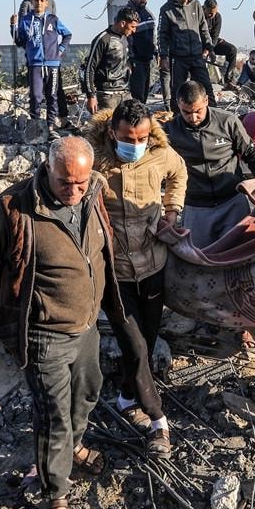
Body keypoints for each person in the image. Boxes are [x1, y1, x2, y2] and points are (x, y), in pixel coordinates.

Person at [0, 136, 149, 509]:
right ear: (47, 170)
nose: (73, 190)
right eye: (64, 182)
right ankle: (55, 495)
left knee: (87, 393)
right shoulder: (14, 208)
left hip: (86, 326)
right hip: (45, 334)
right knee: (53, 413)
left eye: (80, 182)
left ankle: (74, 447)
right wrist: (30, 304)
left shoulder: (93, 193)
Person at [86, 100, 187, 455]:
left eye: (142, 137)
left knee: (147, 337)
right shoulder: (94, 158)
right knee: (136, 345)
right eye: (128, 138)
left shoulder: (159, 154)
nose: (136, 144)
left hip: (152, 265)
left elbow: (179, 172)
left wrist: (172, 211)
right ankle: (158, 419)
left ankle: (126, 396)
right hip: (115, 273)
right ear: (112, 132)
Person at [165, 81, 255, 350]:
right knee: (200, 265)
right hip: (196, 206)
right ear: (178, 107)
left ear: (206, 102)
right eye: (186, 112)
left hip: (231, 202)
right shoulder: (170, 132)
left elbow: (250, 153)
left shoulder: (228, 122)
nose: (193, 117)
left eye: (198, 111)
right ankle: (205, 318)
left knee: (238, 265)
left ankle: (242, 326)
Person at [12, 0, 72, 130]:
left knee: (52, 95)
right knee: (35, 96)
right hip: (35, 64)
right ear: (32, 2)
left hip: (53, 64)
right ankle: (36, 125)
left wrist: (60, 50)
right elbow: (19, 41)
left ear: (46, 3)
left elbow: (67, 34)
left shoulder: (53, 19)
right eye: (36, 0)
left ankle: (50, 125)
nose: (38, 3)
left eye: (41, 0)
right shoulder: (26, 20)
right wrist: (13, 26)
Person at [158, 0, 214, 106]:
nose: (183, 0)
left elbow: (203, 28)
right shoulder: (166, 10)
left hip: (196, 55)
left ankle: (213, 112)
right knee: (178, 91)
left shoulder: (196, 5)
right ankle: (177, 115)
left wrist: (209, 47)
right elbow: (162, 35)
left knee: (206, 87)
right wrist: (163, 56)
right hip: (178, 57)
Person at [81, 5, 137, 113]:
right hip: (107, 96)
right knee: (107, 124)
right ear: (123, 23)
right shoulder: (103, 39)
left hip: (125, 93)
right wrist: (91, 95)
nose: (134, 30)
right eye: (132, 27)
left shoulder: (125, 39)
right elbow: (89, 68)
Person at [127, 0, 157, 104]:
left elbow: (152, 37)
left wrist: (156, 52)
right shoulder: (128, 13)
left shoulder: (148, 13)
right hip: (136, 60)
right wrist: (130, 59)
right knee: (137, 95)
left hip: (147, 59)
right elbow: (126, 38)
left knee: (144, 93)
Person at [202, 0, 238, 89]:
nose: (211, 15)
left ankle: (228, 81)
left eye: (214, 13)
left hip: (212, 43)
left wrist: (210, 50)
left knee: (232, 50)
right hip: (199, 43)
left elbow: (215, 36)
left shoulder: (217, 17)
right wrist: (206, 50)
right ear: (204, 9)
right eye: (209, 13)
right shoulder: (198, 15)